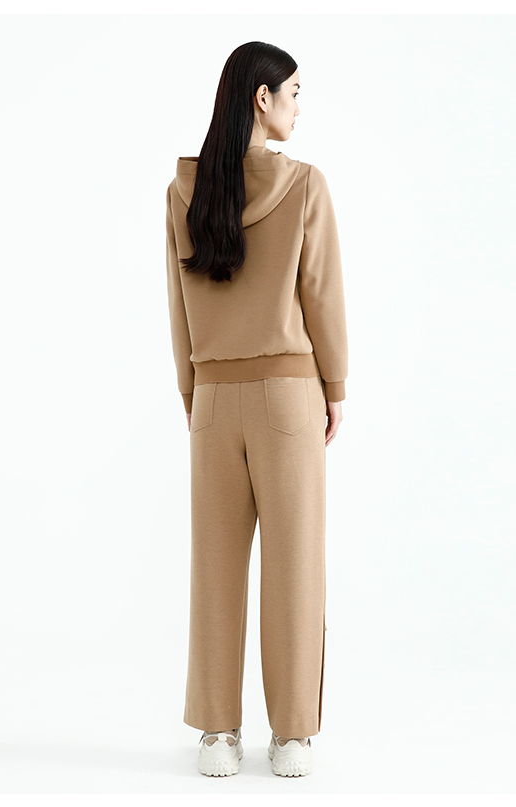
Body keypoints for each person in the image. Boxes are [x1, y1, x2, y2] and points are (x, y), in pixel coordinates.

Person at [164, 41, 348, 778]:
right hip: (288, 395)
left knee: (213, 566)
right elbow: (321, 295)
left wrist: (191, 391)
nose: (299, 107)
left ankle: (218, 734)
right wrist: (336, 385)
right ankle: (292, 735)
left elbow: (177, 304)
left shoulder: (184, 192)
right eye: (293, 93)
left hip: (212, 398)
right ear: (262, 98)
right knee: (294, 562)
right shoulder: (304, 185)